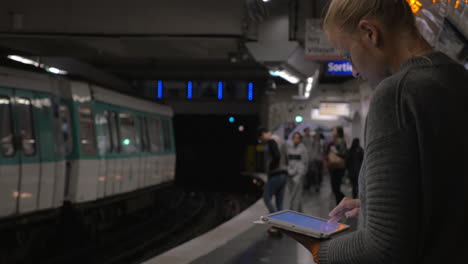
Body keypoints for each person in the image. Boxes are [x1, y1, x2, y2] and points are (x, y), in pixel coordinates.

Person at [280, 0, 468, 263]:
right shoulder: (458, 78)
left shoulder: (395, 96)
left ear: (370, 32)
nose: (354, 71)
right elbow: (447, 197)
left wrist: (318, 248)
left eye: (347, 55)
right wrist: (377, 207)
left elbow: (382, 249)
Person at [258, 128, 288, 235]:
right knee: (279, 202)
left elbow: (276, 156)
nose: (263, 140)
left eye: (261, 137)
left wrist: (270, 168)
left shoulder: (271, 141)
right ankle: (280, 226)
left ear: (263, 134)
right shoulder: (280, 140)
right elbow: (285, 157)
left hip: (276, 174)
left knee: (266, 197)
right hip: (284, 173)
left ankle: (277, 224)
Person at [286, 132, 308, 212]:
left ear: (300, 139)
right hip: (290, 173)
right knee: (293, 192)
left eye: (297, 137)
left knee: (295, 194)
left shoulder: (303, 149)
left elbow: (305, 162)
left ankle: (291, 210)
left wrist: (302, 173)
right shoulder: (289, 148)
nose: (295, 139)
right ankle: (299, 210)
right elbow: (288, 159)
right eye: (294, 137)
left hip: (298, 174)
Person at [326, 126, 347, 205]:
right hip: (334, 166)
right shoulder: (335, 141)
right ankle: (340, 202)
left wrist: (335, 151)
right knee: (335, 186)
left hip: (338, 167)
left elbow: (344, 154)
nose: (332, 132)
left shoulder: (340, 141)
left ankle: (342, 202)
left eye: (334, 131)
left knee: (335, 187)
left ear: (338, 132)